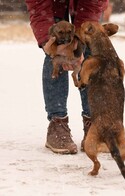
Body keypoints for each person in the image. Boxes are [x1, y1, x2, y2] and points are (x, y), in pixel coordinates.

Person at [25, 0, 109, 154]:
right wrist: (48, 43)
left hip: (88, 5)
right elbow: (38, 6)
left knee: (90, 50)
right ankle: (57, 123)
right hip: (51, 5)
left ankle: (93, 124)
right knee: (55, 50)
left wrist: (80, 43)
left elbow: (92, 4)